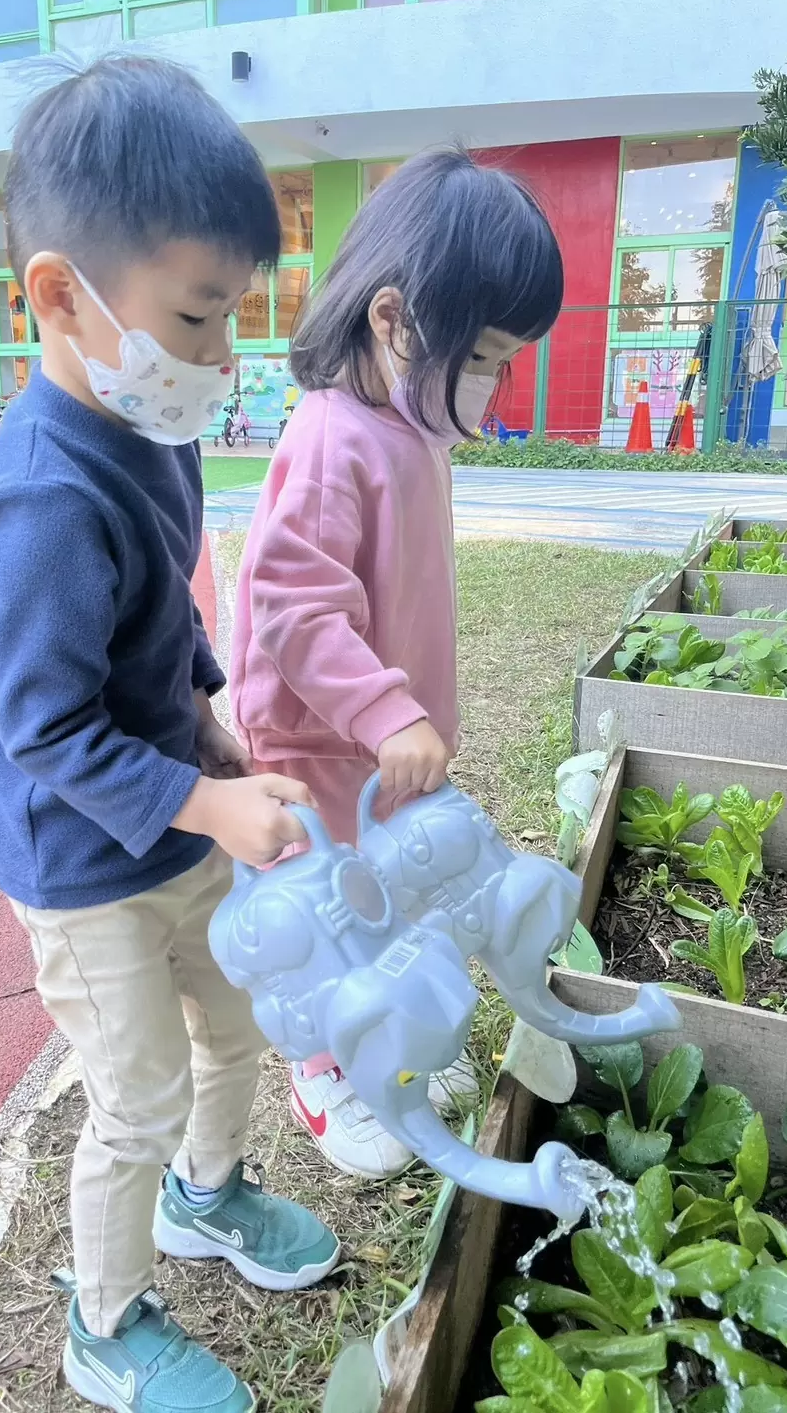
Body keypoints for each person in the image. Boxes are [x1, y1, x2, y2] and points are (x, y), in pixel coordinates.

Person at [0, 55, 340, 1413]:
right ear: (63, 296)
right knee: (136, 1092)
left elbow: (161, 617)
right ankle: (103, 1321)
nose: (220, 358)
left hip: (174, 808)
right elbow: (45, 730)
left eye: (232, 316)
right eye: (198, 317)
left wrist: (215, 727)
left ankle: (209, 1198)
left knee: (234, 1028)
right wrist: (211, 800)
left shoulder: (150, 430)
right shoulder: (40, 502)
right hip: (81, 858)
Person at [229, 147, 564, 1180]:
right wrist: (385, 712)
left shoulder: (409, 429)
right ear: (393, 321)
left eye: (505, 361)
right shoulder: (334, 436)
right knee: (329, 913)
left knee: (388, 896)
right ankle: (325, 1067)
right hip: (315, 741)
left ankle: (387, 1045)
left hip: (374, 744)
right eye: (485, 356)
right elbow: (292, 603)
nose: (493, 384)